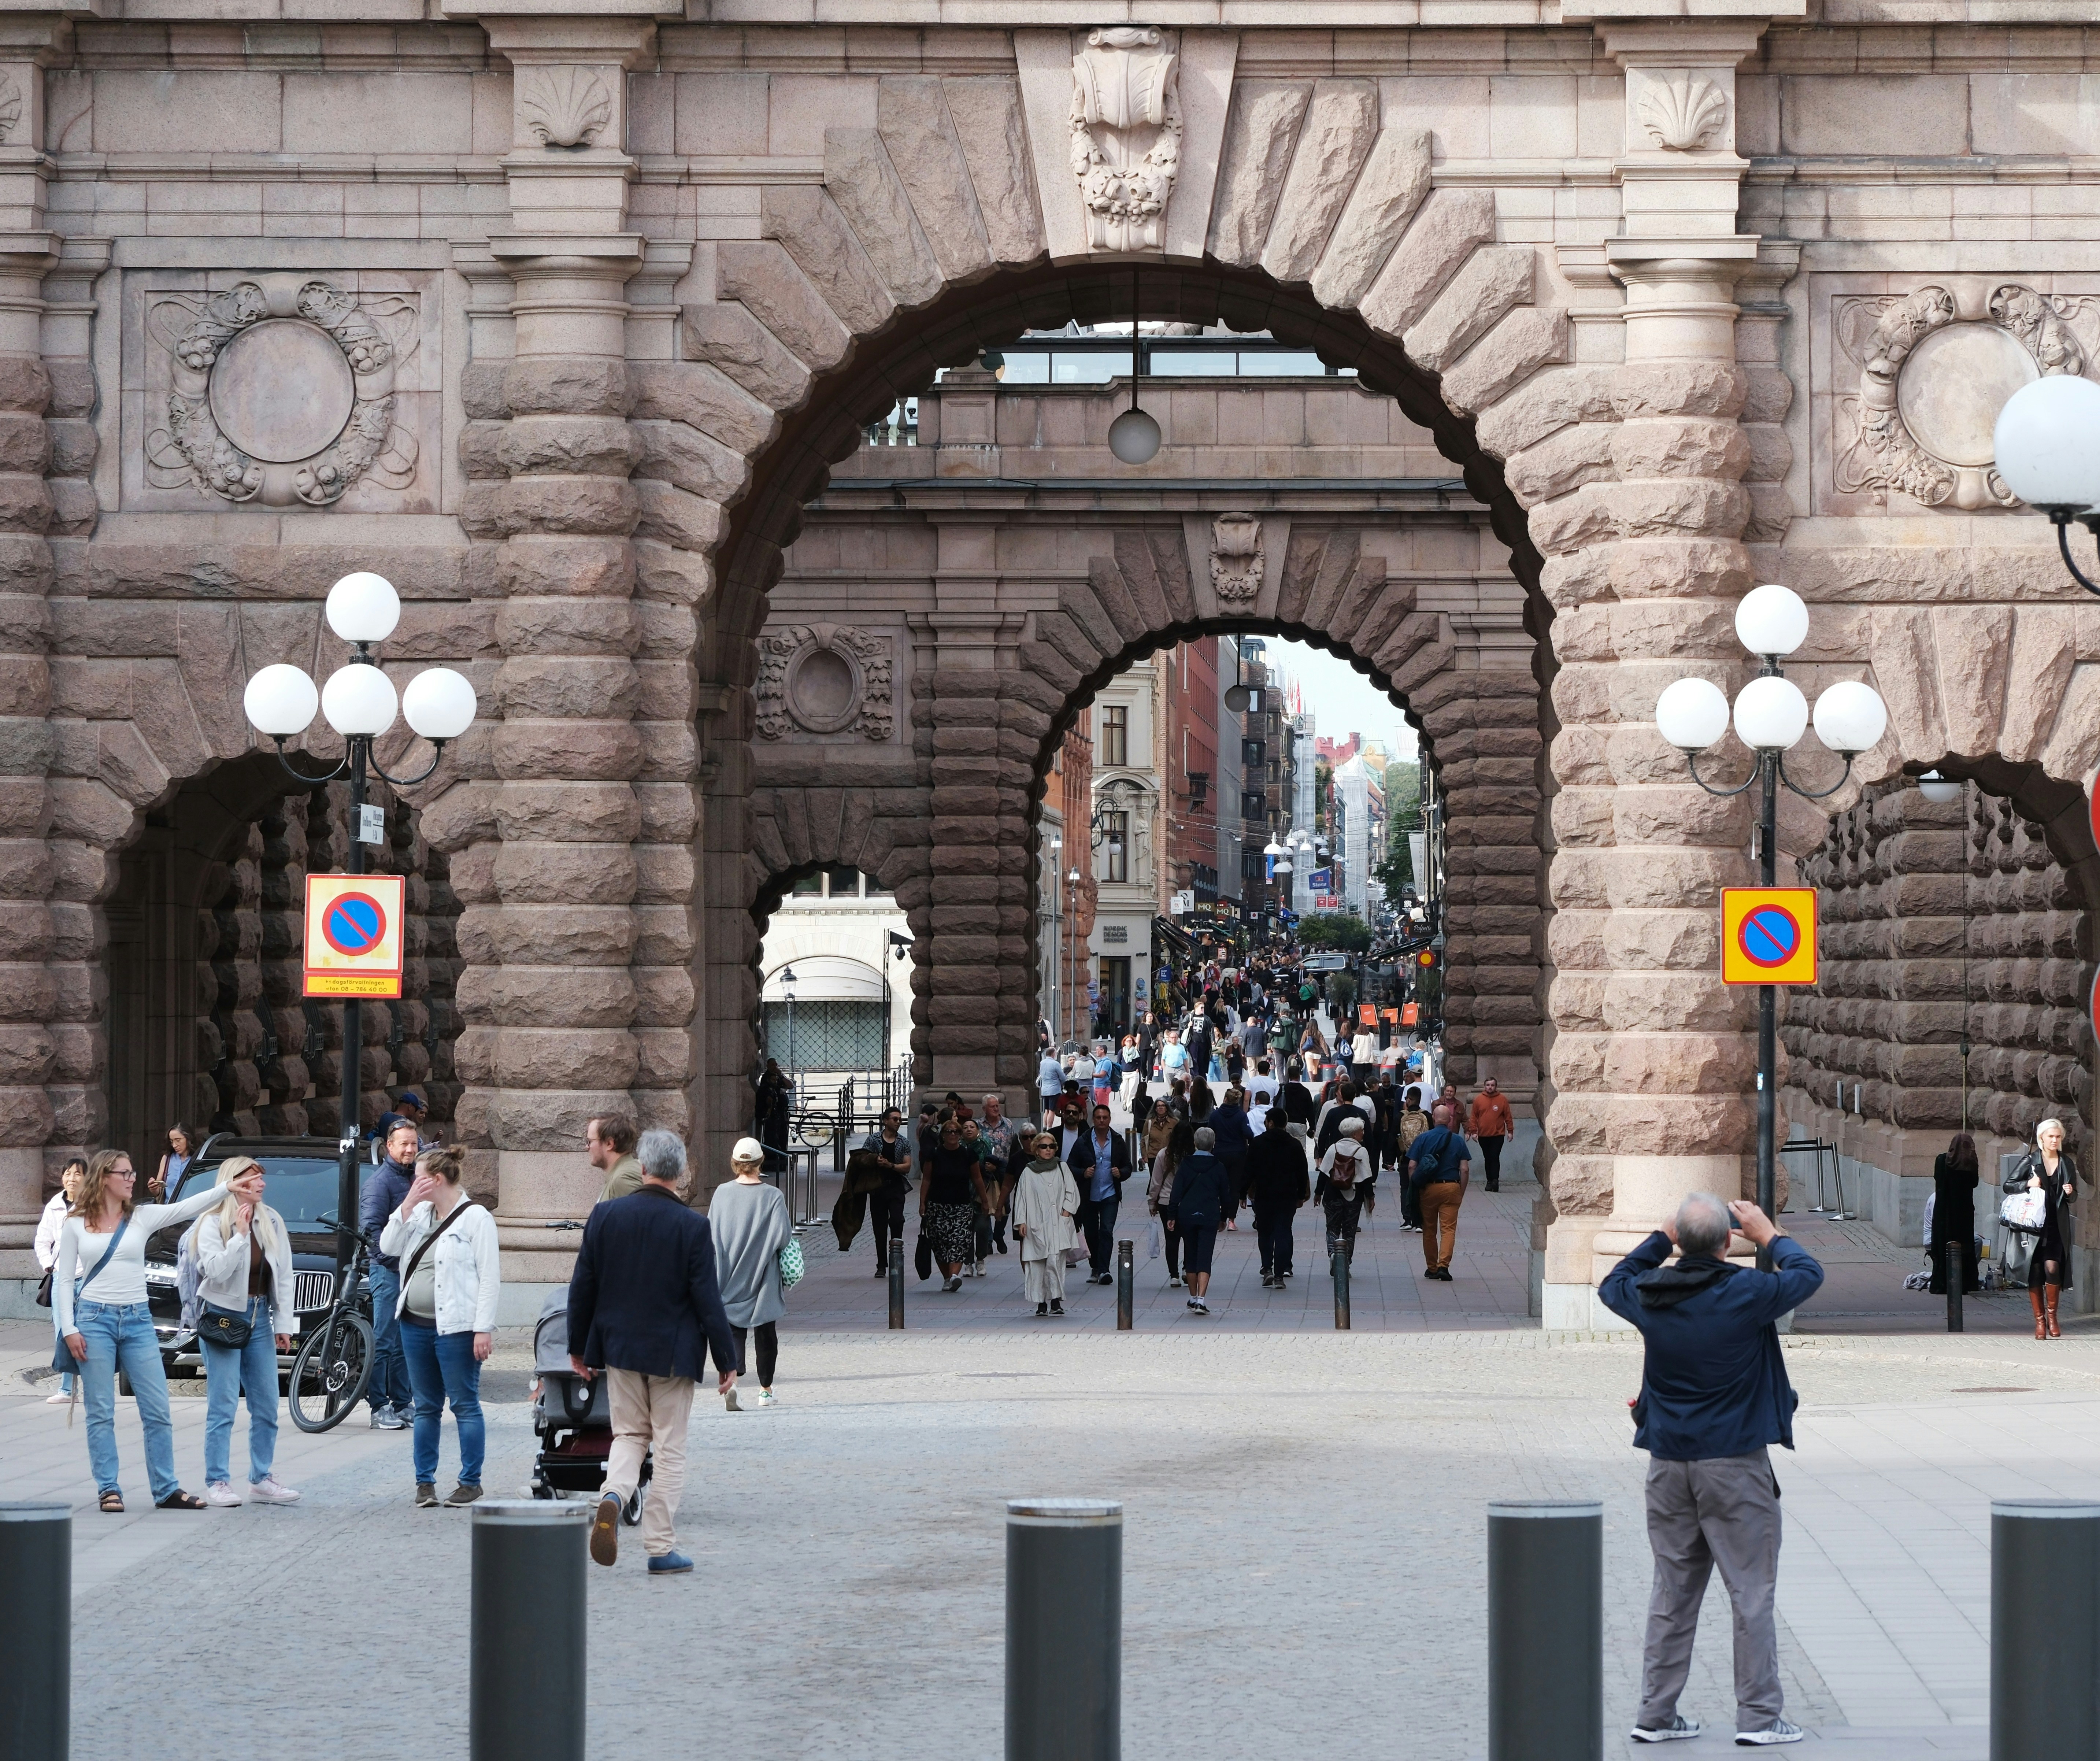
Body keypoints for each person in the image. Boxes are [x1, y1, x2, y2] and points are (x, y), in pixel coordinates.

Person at [1601, 1193, 1825, 1747]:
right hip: (1734, 1464)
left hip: (1668, 1462)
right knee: (1750, 1592)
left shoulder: (1650, 1293)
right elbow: (1808, 1272)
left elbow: (1613, 1281)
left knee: (1672, 1589)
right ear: (1729, 1241)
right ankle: (1759, 1716)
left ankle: (1654, 1713)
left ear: (1679, 1238)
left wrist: (1659, 1236)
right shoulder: (1746, 1292)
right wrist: (1769, 1232)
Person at [567, 1128, 739, 1575]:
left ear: (642, 1167)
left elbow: (583, 1286)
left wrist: (578, 1348)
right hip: (672, 1354)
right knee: (669, 1447)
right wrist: (727, 1360)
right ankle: (660, 1546)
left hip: (620, 1348)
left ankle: (612, 1496)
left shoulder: (605, 1217)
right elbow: (708, 1299)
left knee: (628, 1436)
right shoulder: (693, 1227)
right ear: (680, 1174)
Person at [53, 1148, 222, 1511]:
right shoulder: (75, 1223)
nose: (132, 1179)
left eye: (132, 1173)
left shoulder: (141, 1217)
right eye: (125, 1174)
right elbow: (65, 1281)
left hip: (137, 1320)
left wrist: (229, 1187)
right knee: (101, 1410)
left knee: (158, 1407)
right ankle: (109, 1488)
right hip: (93, 1320)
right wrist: (69, 1328)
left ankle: (166, 1489)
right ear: (104, 1178)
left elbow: (188, 1206)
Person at [380, 1144, 500, 1508]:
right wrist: (404, 1208)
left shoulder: (476, 1218)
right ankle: (424, 1483)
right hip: (415, 1325)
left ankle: (470, 1481)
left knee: (464, 1404)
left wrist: (484, 1328)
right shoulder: (417, 1215)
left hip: (457, 1328)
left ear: (436, 1180)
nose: (412, 1185)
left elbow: (489, 1278)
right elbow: (387, 1246)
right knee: (427, 1406)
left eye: (418, 1179)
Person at [189, 1155, 300, 1507]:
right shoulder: (211, 1223)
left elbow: (284, 1276)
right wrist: (239, 1236)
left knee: (267, 1402)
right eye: (254, 1177)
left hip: (260, 1317)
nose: (261, 1183)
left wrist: (284, 1324)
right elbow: (215, 1272)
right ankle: (218, 1480)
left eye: (261, 1178)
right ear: (234, 1182)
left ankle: (261, 1477)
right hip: (223, 1317)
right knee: (223, 1405)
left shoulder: (272, 1220)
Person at [709, 1137, 793, 1407]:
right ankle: (766, 1390)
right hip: (763, 1273)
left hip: (729, 1271)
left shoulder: (722, 1193)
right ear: (759, 1162)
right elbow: (784, 1236)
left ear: (735, 1163)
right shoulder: (772, 1196)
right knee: (766, 1331)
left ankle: (732, 1381)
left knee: (733, 1328)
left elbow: (711, 1234)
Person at [357, 1116, 421, 1431]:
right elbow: (371, 1231)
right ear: (389, 1146)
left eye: (414, 1143)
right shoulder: (380, 1182)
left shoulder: (415, 1176)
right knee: (383, 1340)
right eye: (404, 1144)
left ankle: (402, 1402)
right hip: (389, 1271)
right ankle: (378, 1406)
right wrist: (392, 1263)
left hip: (411, 1273)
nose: (411, 1149)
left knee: (405, 1342)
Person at [2004, 1117, 2084, 1339]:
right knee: (2036, 1272)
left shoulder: (2066, 1162)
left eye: (2058, 1137)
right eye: (2051, 1136)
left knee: (2053, 1270)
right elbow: (2008, 1185)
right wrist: (2028, 1183)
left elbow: (2073, 1196)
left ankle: (2053, 1318)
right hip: (2032, 1228)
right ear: (2042, 1138)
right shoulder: (2031, 1161)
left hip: (2056, 1226)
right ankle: (2039, 1322)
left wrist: (2070, 1192)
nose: (2055, 1140)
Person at [1013, 1130, 1081, 1316]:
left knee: (1055, 1261)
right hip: (1036, 1223)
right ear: (1036, 1150)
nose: (1048, 1150)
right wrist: (1021, 1222)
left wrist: (1066, 1213)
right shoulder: (1029, 1171)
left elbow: (1072, 1192)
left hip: (1059, 1223)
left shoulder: (1062, 1167)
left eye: (1052, 1147)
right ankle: (1041, 1302)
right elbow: (1021, 1199)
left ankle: (1056, 1301)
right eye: (1044, 1147)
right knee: (1037, 1264)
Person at [34, 1158, 85, 1403]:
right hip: (60, 1278)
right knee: (63, 1332)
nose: (72, 1178)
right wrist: (49, 1264)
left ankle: (90, 1385)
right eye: (68, 1173)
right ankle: (67, 1389)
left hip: (87, 1277)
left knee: (87, 1331)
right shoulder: (54, 1206)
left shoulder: (92, 1204)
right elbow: (42, 1240)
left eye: (78, 1173)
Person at [921, 1118, 988, 1293]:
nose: (953, 1135)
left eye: (956, 1132)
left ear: (960, 1136)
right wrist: (922, 1203)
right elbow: (926, 1179)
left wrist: (985, 1201)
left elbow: (977, 1178)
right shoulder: (934, 1154)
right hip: (937, 1206)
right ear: (943, 1135)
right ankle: (947, 1278)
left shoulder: (968, 1154)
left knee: (960, 1241)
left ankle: (954, 1277)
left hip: (962, 1206)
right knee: (940, 1243)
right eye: (949, 1132)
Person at [1168, 1127, 1230, 1315]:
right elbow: (1225, 1196)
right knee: (1205, 1256)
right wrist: (1224, 1217)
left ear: (1195, 1144)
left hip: (1187, 1215)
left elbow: (1176, 1192)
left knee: (1191, 1255)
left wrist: (1172, 1215)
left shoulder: (1186, 1165)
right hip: (1209, 1215)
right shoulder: (1219, 1167)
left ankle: (1193, 1298)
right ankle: (1201, 1300)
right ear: (1213, 1145)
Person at [1407, 1102, 1472, 1281]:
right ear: (1450, 1120)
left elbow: (1412, 1165)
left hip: (1428, 1188)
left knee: (1429, 1229)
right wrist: (1461, 1191)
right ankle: (1444, 1266)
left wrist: (1415, 1187)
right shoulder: (1458, 1140)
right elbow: (1465, 1169)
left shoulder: (1423, 1139)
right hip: (1452, 1187)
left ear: (1434, 1119)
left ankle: (1432, 1268)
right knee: (1448, 1230)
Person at [1067, 1102, 1130, 1285]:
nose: (1102, 1121)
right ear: (1093, 1120)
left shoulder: (1117, 1141)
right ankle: (1095, 1266)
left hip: (1110, 1194)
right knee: (1091, 1233)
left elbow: (1128, 1166)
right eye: (1098, 1118)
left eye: (1105, 1118)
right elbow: (1071, 1165)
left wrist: (1122, 1173)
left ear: (1110, 1120)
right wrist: (1083, 1173)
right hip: (1089, 1195)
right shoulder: (1084, 1141)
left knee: (1107, 1231)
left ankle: (1104, 1270)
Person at [1247, 1105, 1310, 1287]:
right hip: (1287, 1195)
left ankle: (1267, 1268)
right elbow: (1302, 1171)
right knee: (1284, 1231)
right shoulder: (1294, 1145)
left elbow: (1249, 1170)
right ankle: (1280, 1274)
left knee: (1265, 1232)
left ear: (1271, 1123)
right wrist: (1301, 1195)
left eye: (1266, 1122)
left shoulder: (1258, 1143)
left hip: (1264, 1194)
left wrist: (1243, 1193)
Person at [858, 1107, 914, 1276]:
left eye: (900, 1120)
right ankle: (882, 1264)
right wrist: (875, 1160)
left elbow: (907, 1166)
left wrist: (891, 1166)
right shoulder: (874, 1140)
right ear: (885, 1121)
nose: (898, 1122)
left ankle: (897, 1258)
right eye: (895, 1119)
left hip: (896, 1187)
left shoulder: (903, 1142)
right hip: (878, 1188)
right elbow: (861, 1159)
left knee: (897, 1221)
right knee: (879, 1227)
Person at [1928, 1131, 1981, 1297]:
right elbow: (1974, 1184)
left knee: (1942, 1246)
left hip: (1944, 1212)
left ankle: (1941, 1283)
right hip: (1964, 1214)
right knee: (1963, 1248)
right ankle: (1964, 1283)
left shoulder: (1942, 1160)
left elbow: (1938, 1179)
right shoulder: (1971, 1164)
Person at [1318, 1115, 1375, 1270]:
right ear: (1355, 1133)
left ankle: (1333, 1254)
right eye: (1361, 1131)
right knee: (1350, 1231)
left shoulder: (1333, 1148)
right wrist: (1370, 1197)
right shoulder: (1361, 1151)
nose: (1363, 1133)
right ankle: (1345, 1262)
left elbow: (1324, 1173)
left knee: (1332, 1228)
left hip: (1332, 1194)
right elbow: (1366, 1178)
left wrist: (1318, 1193)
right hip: (1354, 1197)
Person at [1149, 1118, 1196, 1288]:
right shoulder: (1195, 1155)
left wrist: (1152, 1202)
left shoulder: (1164, 1154)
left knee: (1172, 1240)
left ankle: (1174, 1275)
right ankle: (1186, 1269)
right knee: (1190, 1238)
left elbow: (1156, 1181)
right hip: (1190, 1202)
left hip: (1167, 1201)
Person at [1209, 1085, 1254, 1228]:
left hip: (1220, 1153)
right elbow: (1248, 1134)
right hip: (1238, 1154)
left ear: (1225, 1099)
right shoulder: (1241, 1116)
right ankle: (1231, 1220)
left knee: (1219, 1186)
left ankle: (1218, 1216)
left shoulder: (1215, 1115)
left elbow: (1210, 1134)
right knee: (1234, 1187)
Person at [1467, 1077, 1515, 1193]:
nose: (1490, 1087)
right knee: (1487, 1158)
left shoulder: (1502, 1099)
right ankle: (1489, 1180)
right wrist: (1474, 1132)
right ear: (1485, 1086)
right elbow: (1474, 1117)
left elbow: (1508, 1116)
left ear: (1496, 1087)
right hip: (1484, 1135)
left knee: (1495, 1157)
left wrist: (1510, 1131)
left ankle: (1495, 1181)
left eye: (1492, 1085)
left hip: (1498, 1135)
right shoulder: (1479, 1100)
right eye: (1488, 1085)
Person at [1395, 1086, 1432, 1232]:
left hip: (1405, 1157)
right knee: (1423, 1188)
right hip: (1423, 1159)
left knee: (1405, 1188)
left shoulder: (1400, 1117)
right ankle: (1420, 1222)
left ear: (1409, 1100)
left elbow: (1394, 1138)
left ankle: (1407, 1220)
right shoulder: (1427, 1116)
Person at [588, 1114, 642, 1204]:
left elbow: (642, 1216)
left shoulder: (624, 1179)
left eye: (590, 1142)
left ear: (609, 1144)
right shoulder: (619, 1175)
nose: (587, 1146)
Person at [754, 1058, 793, 1172]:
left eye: (776, 1065)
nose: (775, 1067)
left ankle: (782, 1163)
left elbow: (790, 1086)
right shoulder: (767, 1079)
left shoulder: (779, 1077)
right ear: (767, 1066)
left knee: (783, 1137)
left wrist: (781, 1076)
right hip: (772, 1116)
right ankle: (774, 1163)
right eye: (772, 1065)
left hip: (781, 1114)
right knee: (772, 1139)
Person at [152, 1121, 194, 1202]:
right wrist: (154, 1188)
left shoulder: (198, 1158)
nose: (174, 1145)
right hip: (169, 1208)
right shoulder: (167, 1159)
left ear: (188, 1139)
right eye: (172, 1142)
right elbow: (159, 1191)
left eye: (178, 1141)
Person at [1037, 1043, 1065, 1122]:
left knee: (1047, 1110)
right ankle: (1050, 1128)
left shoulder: (1042, 1063)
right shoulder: (1056, 1064)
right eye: (1055, 1054)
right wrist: (1062, 1083)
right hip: (1054, 1090)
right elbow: (1063, 1077)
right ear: (1053, 1054)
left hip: (1045, 1090)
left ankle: (1045, 1127)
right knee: (1052, 1110)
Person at [1351, 1023, 1377, 1087]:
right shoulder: (1371, 1035)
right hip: (1368, 1060)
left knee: (1360, 1078)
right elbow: (1374, 1045)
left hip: (1358, 1060)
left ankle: (1360, 1089)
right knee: (1368, 1076)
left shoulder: (1357, 1037)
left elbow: (1354, 1047)